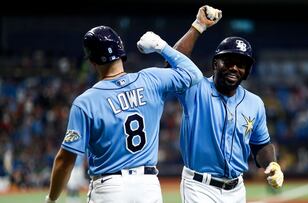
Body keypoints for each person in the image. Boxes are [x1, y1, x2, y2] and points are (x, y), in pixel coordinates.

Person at [45, 25, 203, 203]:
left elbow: (65, 160)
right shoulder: (151, 80)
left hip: (110, 187)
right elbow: (194, 74)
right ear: (121, 51)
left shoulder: (85, 102)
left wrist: (51, 199)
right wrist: (161, 46)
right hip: (147, 186)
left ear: (92, 62)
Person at [170, 5, 284, 202]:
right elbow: (173, 62)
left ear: (247, 71)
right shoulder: (196, 88)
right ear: (215, 64)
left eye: (241, 64)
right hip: (199, 187)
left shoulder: (254, 103)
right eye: (228, 61)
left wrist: (272, 164)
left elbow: (261, 144)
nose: (234, 67)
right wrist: (198, 26)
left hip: (237, 189)